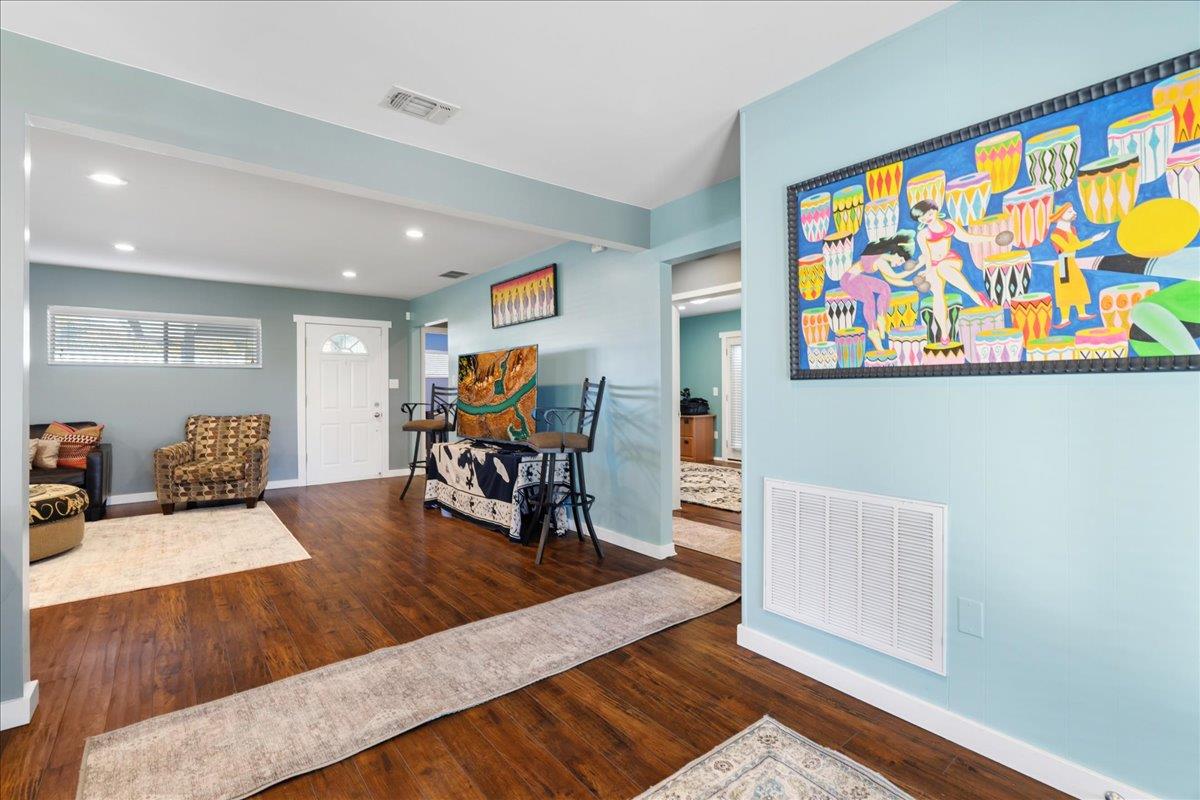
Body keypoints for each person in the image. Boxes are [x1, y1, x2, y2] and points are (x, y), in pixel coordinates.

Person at [909, 200, 1005, 342]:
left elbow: (968, 238)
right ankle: (944, 334)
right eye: (922, 218)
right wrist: (926, 271)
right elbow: (928, 257)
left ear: (936, 210)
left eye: (929, 213)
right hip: (934, 265)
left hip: (950, 261)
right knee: (937, 292)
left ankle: (974, 295)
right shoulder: (922, 235)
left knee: (943, 268)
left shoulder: (949, 224)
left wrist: (992, 239)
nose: (927, 218)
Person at [839, 231, 920, 350]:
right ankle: (873, 331)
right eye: (901, 261)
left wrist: (911, 283)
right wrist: (918, 266)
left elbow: (891, 281)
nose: (899, 265)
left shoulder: (882, 259)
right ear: (896, 253)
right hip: (848, 280)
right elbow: (896, 276)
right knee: (869, 298)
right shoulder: (880, 259)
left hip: (857, 278)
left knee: (885, 288)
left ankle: (881, 319)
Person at [1048, 202, 1105, 328]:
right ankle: (1064, 319)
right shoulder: (1055, 234)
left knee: (1079, 285)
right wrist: (1092, 240)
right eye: (1070, 212)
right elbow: (1070, 247)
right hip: (1063, 263)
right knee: (1065, 290)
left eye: (1073, 210)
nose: (1074, 213)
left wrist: (1090, 241)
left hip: (1071, 262)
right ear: (1061, 215)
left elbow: (1076, 245)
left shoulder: (1072, 229)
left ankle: (1082, 313)